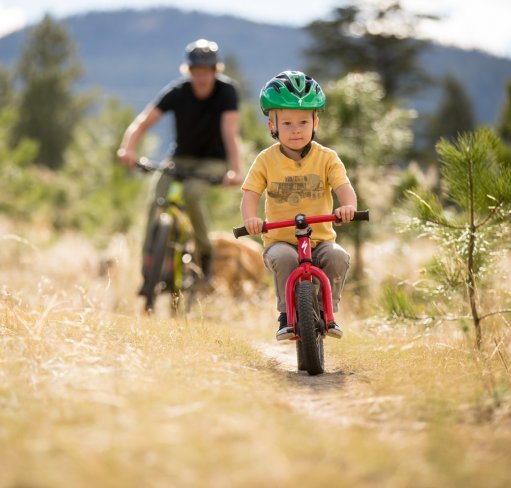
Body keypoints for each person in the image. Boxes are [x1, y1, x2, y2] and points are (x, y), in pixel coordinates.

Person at [117, 38, 243, 290]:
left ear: (215, 71)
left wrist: (236, 170)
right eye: (197, 72)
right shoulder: (178, 92)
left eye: (207, 71)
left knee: (191, 194)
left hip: (213, 162)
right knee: (156, 202)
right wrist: (127, 148)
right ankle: (148, 273)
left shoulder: (227, 92)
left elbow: (230, 132)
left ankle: (205, 253)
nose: (202, 77)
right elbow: (143, 122)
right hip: (179, 158)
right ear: (189, 71)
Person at [240, 70, 357, 340]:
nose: (296, 130)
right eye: (288, 123)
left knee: (338, 256)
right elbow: (250, 195)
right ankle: (285, 315)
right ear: (273, 126)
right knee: (285, 258)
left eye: (303, 122)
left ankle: (328, 312)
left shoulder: (327, 158)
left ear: (315, 122)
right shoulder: (265, 160)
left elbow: (343, 188)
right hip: (281, 240)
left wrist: (347, 207)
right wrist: (251, 219)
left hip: (321, 239)